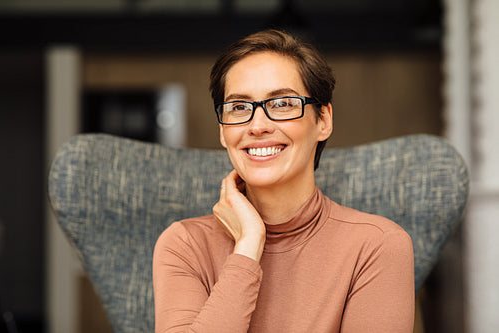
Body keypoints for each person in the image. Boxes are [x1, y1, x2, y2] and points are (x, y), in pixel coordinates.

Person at [153, 29, 414, 332]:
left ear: (323, 121)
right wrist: (249, 245)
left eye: (282, 104)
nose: (257, 125)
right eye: (239, 107)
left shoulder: (377, 245)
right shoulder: (184, 244)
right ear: (223, 132)